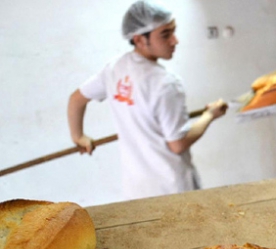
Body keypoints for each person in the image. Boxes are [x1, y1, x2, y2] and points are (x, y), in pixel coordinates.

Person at [67, 0, 227, 200]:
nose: (174, 40)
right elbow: (177, 144)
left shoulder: (115, 68)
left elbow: (77, 99)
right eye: (165, 34)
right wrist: (209, 115)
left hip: (137, 190)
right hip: (172, 190)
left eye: (173, 31)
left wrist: (78, 136)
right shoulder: (166, 84)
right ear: (139, 39)